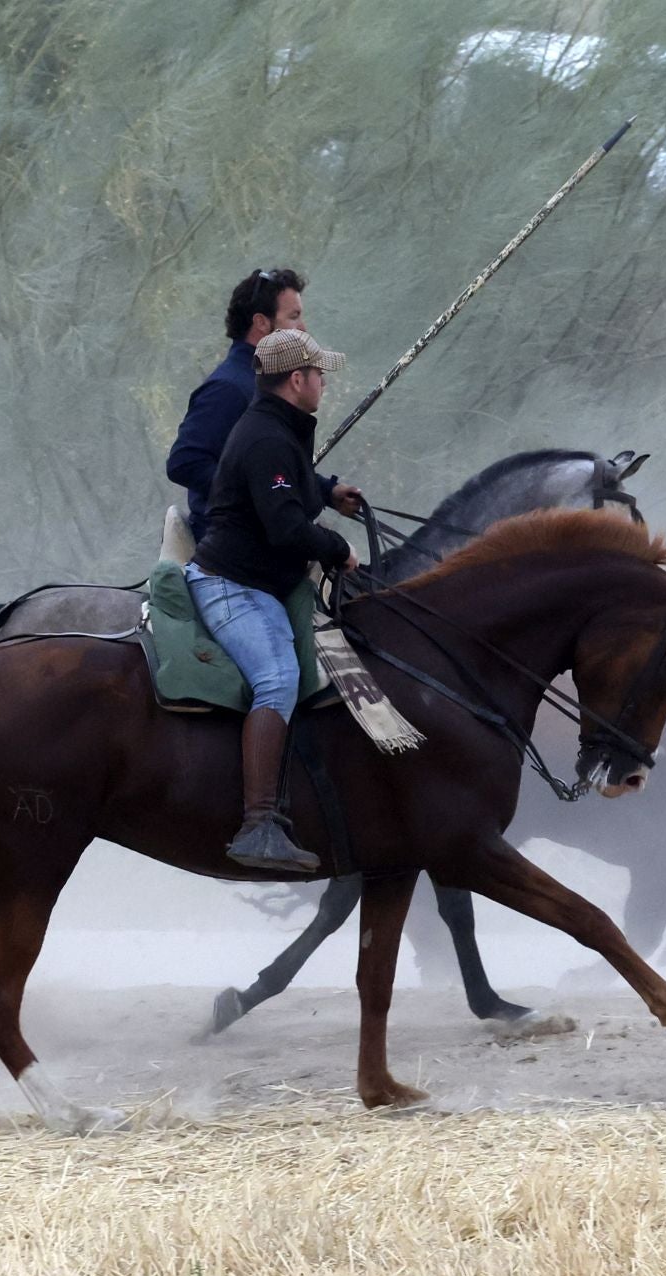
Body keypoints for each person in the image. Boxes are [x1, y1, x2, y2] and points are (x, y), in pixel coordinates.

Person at [188, 328, 364, 872]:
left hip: (258, 581)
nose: (324, 383)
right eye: (319, 374)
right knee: (278, 678)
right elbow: (286, 525)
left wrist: (327, 489)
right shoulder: (268, 436)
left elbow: (284, 482)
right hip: (233, 586)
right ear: (297, 380)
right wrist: (337, 548)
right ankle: (258, 824)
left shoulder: (275, 427)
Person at [167, 268, 354, 541]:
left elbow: (274, 470)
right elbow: (184, 462)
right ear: (262, 323)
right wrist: (259, 490)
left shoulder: (266, 382)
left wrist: (328, 492)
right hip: (234, 550)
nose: (302, 328)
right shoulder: (228, 388)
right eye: (293, 316)